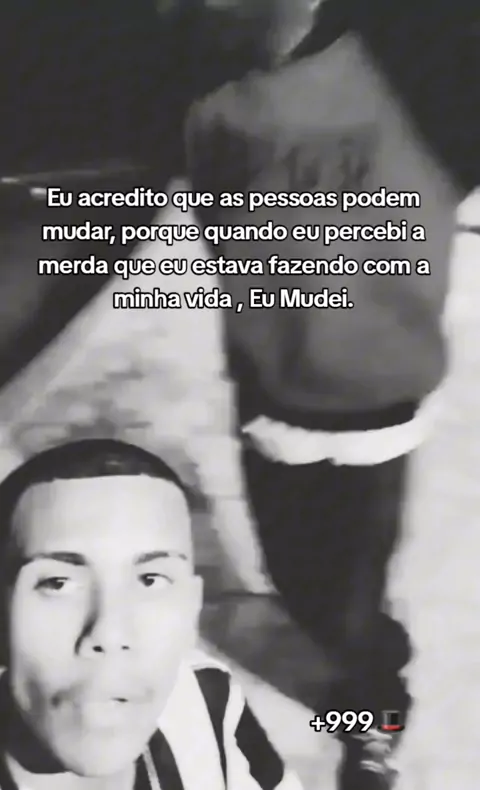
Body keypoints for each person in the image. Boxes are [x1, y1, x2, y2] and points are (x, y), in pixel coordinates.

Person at [185, 0, 480, 787]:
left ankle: (372, 718)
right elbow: (220, 229)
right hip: (267, 397)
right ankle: (368, 649)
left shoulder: (417, 78)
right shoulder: (215, 102)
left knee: (346, 612)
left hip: (371, 409)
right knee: (298, 583)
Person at [0, 438, 303, 790]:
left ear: (191, 609)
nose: (110, 634)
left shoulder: (208, 696)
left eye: (150, 580)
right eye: (57, 583)